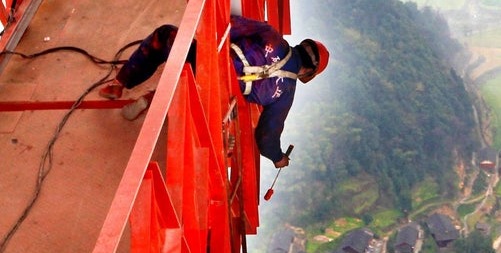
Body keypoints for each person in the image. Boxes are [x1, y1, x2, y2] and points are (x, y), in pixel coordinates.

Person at [100, 15, 329, 168]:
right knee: (205, 100)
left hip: (205, 63)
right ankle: (155, 98)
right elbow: (266, 137)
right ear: (308, 73)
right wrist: (278, 158)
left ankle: (120, 83)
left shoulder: (270, 35)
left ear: (301, 45)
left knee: (166, 35)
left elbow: (226, 24)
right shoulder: (286, 92)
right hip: (214, 103)